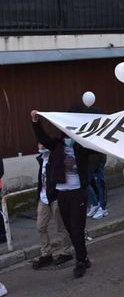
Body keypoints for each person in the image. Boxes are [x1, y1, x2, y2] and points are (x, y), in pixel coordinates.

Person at [31, 109, 93, 278]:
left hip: (78, 193)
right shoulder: (56, 147)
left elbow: (98, 147)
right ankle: (84, 257)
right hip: (62, 194)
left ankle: (80, 261)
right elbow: (42, 138)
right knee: (70, 229)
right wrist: (36, 122)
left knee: (77, 228)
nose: (67, 139)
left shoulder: (81, 147)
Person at [30, 143, 72, 269]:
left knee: (61, 226)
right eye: (38, 143)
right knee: (41, 226)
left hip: (55, 196)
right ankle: (46, 253)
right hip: (43, 198)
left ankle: (66, 251)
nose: (40, 146)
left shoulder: (55, 158)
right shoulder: (41, 159)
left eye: (42, 143)